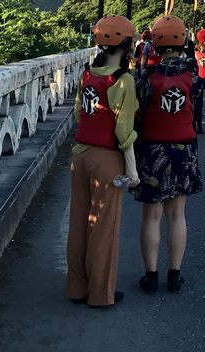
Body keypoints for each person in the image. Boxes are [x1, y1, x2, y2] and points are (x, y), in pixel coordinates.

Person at [66, 15, 139, 308]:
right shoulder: (123, 80)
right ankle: (100, 294)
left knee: (79, 223)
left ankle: (76, 288)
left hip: (80, 155)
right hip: (107, 160)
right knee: (104, 228)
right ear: (125, 43)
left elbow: (78, 114)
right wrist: (133, 170)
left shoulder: (88, 73)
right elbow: (124, 131)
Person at [134, 15, 203, 294]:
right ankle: (174, 275)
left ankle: (150, 276)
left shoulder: (146, 75)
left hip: (153, 149)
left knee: (152, 215)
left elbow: (138, 107)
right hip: (184, 147)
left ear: (155, 41)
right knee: (177, 214)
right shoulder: (193, 72)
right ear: (183, 40)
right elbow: (196, 101)